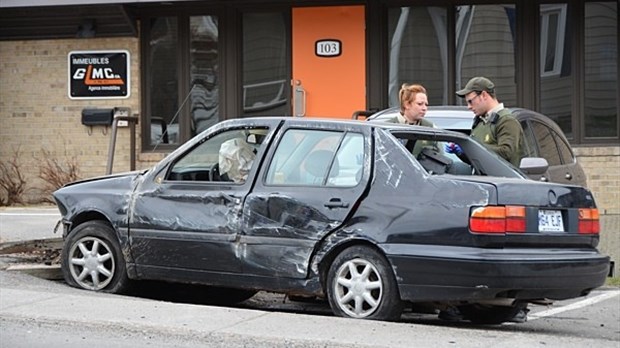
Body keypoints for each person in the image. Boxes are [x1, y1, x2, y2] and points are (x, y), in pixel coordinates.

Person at [446, 77, 525, 167]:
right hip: (481, 178)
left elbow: (506, 153)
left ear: (484, 95)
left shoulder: (507, 121)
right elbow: (476, 161)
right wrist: (461, 152)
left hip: (500, 179)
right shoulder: (480, 121)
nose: (469, 106)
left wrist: (471, 147)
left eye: (471, 101)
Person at [374, 83, 437, 155]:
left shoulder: (430, 128)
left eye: (426, 104)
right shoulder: (387, 128)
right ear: (407, 104)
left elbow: (441, 158)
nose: (424, 108)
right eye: (420, 104)